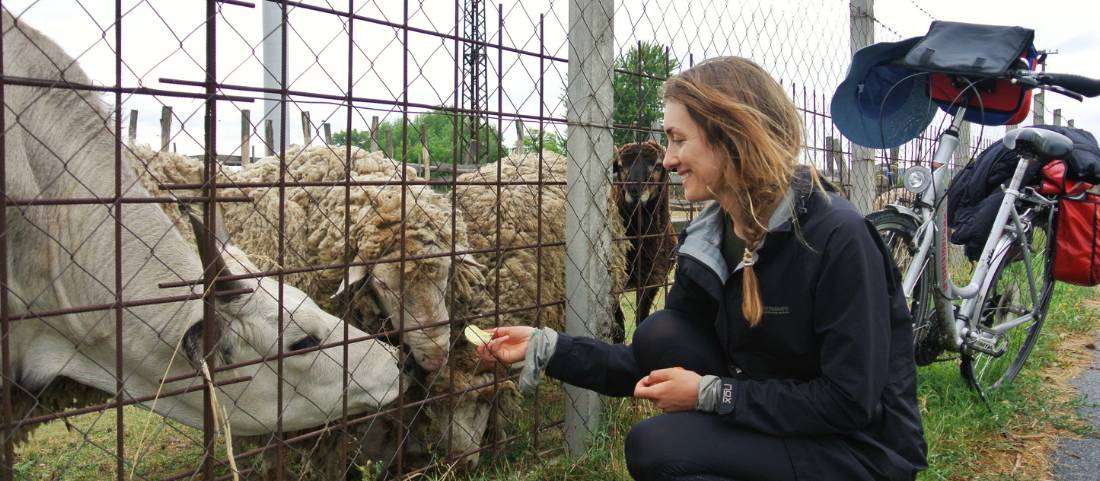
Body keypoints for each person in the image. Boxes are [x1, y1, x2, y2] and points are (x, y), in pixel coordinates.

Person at [477, 56, 927, 481]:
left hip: (858, 447)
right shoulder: (709, 240)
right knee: (660, 333)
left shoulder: (836, 236)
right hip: (782, 417)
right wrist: (546, 346)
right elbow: (641, 361)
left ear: (731, 135)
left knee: (657, 446)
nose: (668, 161)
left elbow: (850, 402)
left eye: (678, 139)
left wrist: (713, 394)